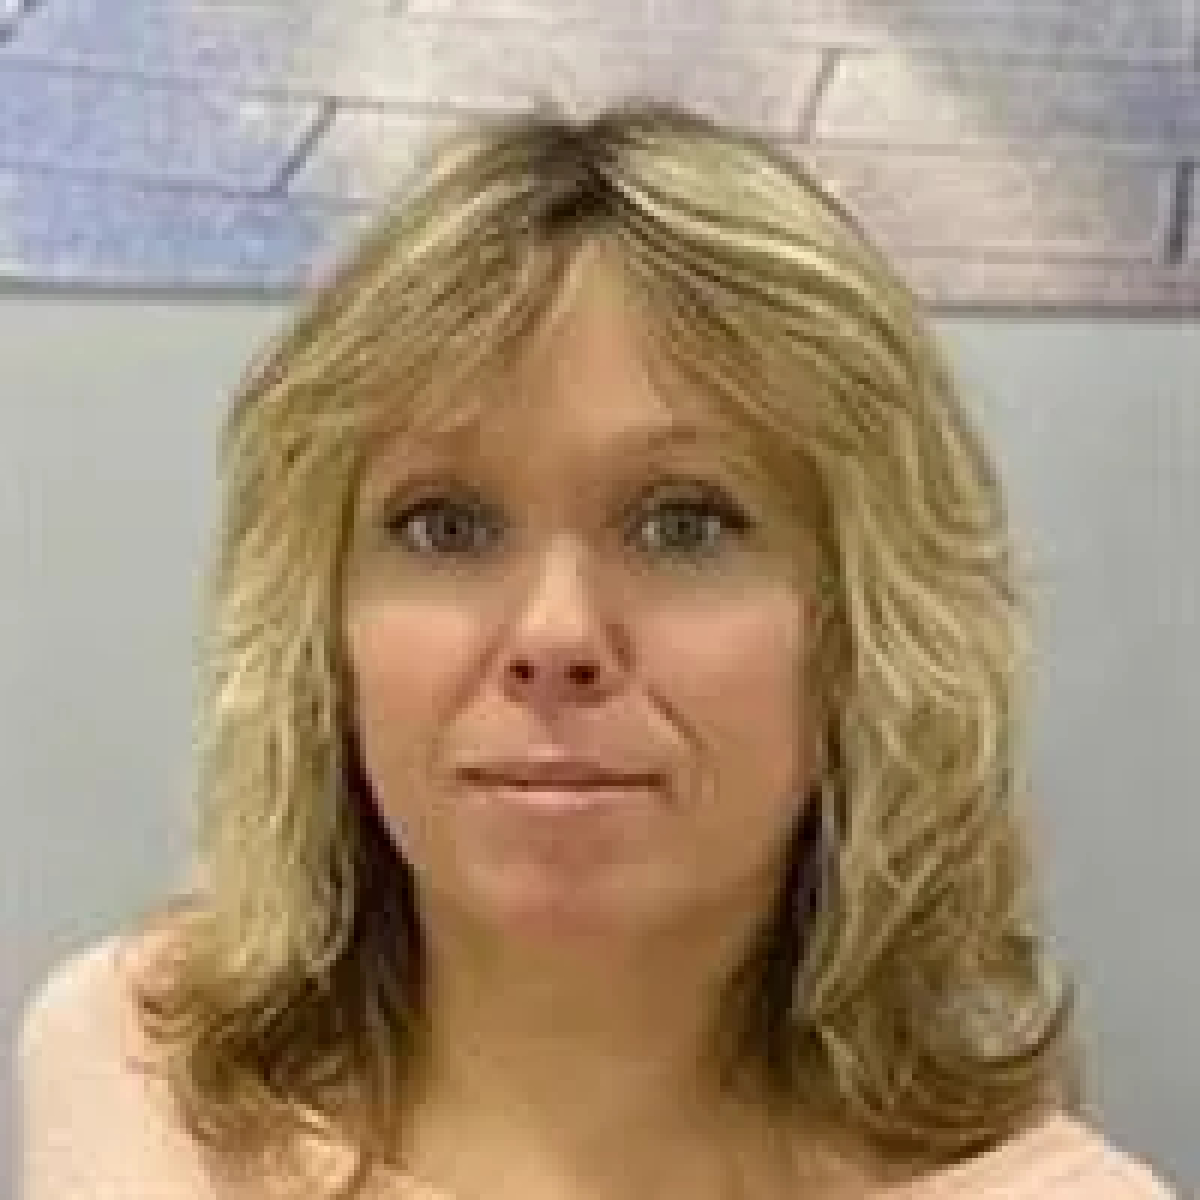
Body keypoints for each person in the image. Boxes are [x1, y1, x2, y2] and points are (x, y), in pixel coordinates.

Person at [17, 100, 1177, 1199]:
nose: (555, 636)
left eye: (685, 524)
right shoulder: (134, 1077)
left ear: (874, 636)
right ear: (322, 634)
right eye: (445, 526)